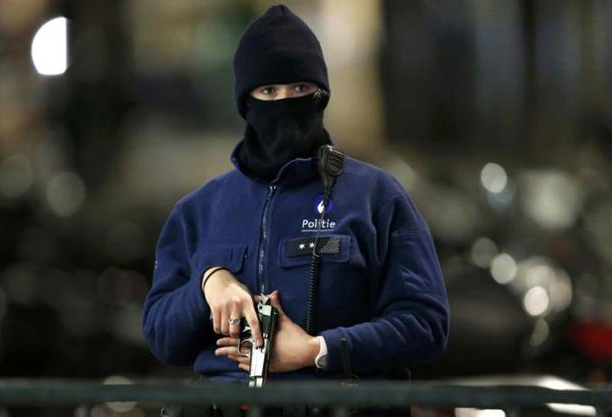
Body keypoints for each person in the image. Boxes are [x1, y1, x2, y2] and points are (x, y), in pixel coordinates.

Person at [143, 1, 448, 397]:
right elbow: (162, 338)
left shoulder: (375, 197)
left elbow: (426, 324)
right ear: (246, 102)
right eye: (269, 90)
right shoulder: (197, 212)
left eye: (300, 89)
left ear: (320, 96)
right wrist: (206, 285)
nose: (285, 101)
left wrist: (318, 351)